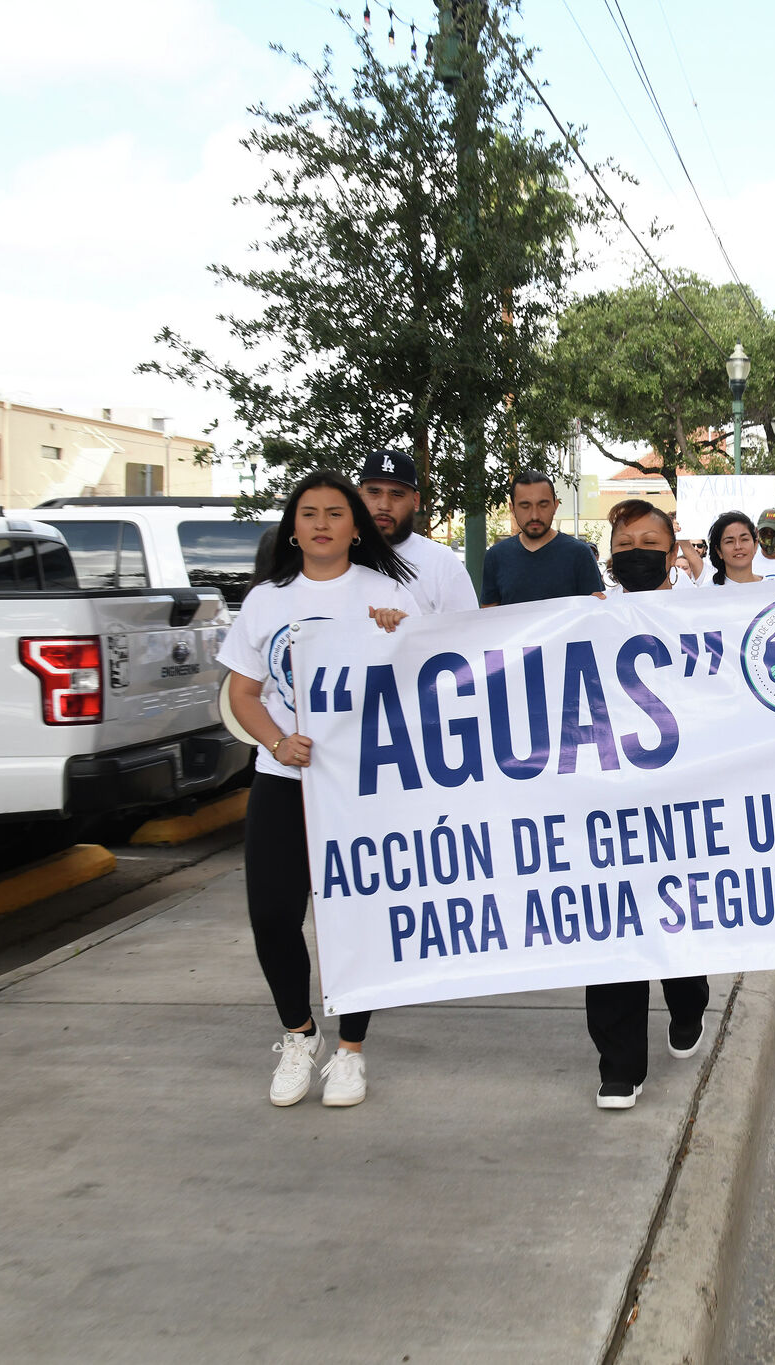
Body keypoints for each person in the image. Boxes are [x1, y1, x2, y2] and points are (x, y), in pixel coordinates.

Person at [220, 471, 421, 1110]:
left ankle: (352, 1053)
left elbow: (429, 680)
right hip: (284, 782)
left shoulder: (388, 594)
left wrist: (401, 634)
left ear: (355, 527)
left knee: (353, 918)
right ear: (293, 527)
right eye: (308, 513)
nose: (322, 523)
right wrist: (278, 742)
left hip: (361, 788)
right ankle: (299, 1035)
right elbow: (244, 694)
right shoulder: (266, 601)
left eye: (336, 512)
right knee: (272, 915)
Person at [588, 498, 711, 1108]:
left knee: (673, 918)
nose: (635, 552)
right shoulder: (584, 618)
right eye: (625, 542)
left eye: (648, 541)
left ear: (671, 547)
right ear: (611, 553)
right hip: (609, 800)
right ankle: (618, 1063)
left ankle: (688, 1004)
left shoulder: (704, 612)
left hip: (680, 803)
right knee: (609, 921)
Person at [357, 448, 478, 614]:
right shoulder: (338, 557)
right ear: (359, 495)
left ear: (415, 501)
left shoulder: (442, 562)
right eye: (374, 492)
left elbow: (466, 633)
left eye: (396, 494)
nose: (384, 505)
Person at [481, 470, 606, 606]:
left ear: (555, 506)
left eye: (543, 505)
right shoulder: (495, 556)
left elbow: (595, 611)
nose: (535, 515)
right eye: (525, 506)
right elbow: (489, 615)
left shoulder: (580, 554)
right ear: (512, 508)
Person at [705, 510, 761, 586]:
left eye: (744, 539)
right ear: (719, 551)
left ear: (755, 545)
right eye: (729, 542)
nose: (738, 546)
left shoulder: (774, 588)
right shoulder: (706, 592)